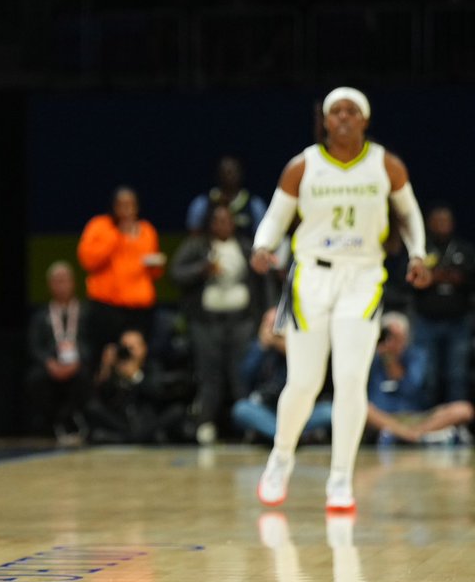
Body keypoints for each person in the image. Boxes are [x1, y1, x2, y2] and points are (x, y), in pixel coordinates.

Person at [252, 86, 430, 512]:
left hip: (363, 278)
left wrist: (419, 253)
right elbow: (275, 217)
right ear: (326, 121)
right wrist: (263, 245)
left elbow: (408, 215)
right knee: (304, 382)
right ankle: (280, 457)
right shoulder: (303, 166)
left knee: (351, 380)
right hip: (311, 276)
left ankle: (340, 479)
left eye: (353, 111)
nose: (345, 118)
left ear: (365, 120)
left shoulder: (385, 164)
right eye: (337, 112)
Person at [170, 204, 261, 444]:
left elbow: (261, 280)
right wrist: (203, 269)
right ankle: (206, 424)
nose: (223, 225)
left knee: (240, 375)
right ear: (210, 224)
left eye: (227, 220)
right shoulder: (197, 245)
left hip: (240, 321)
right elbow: (176, 274)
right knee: (209, 375)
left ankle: (248, 427)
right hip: (206, 322)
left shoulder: (244, 246)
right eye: (218, 220)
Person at [77, 187, 165, 369]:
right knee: (106, 357)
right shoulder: (100, 227)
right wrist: (116, 235)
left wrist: (156, 265)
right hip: (107, 309)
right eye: (122, 205)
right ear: (114, 207)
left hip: (139, 310)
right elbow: (88, 261)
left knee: (137, 357)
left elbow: (155, 274)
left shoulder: (147, 230)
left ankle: (136, 390)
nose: (127, 210)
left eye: (131, 205)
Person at [364, 312, 474, 444]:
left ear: (405, 337)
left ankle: (403, 435)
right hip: (383, 417)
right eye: (388, 336)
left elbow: (412, 391)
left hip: (416, 417)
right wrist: (383, 355)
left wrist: (392, 361)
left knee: (463, 410)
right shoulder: (370, 358)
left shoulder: (417, 357)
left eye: (397, 337)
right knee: (364, 409)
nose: (392, 342)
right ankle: (410, 436)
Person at [231, 308, 332, 443]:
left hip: (301, 411)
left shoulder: (301, 346)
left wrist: (286, 348)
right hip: (268, 410)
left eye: (277, 325)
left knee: (329, 412)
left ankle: (277, 435)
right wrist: (261, 348)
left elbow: (316, 375)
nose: (274, 331)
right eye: (269, 325)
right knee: (242, 409)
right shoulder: (258, 348)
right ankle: (288, 437)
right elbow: (244, 378)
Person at [414, 205, 475, 405]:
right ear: (429, 224)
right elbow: (406, 280)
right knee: (427, 376)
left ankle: (455, 427)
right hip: (426, 321)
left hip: (458, 322)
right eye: (437, 221)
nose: (441, 225)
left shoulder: (464, 250)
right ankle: (426, 427)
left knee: (457, 375)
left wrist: (440, 277)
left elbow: (469, 278)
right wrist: (436, 277)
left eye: (445, 221)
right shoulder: (421, 250)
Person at [24, 260, 88, 441]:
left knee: (84, 377)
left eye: (65, 280)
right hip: (52, 365)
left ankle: (73, 421)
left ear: (73, 283)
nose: (61, 286)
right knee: (36, 379)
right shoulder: (41, 316)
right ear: (50, 285)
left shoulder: (85, 312)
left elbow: (90, 342)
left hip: (77, 364)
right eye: (57, 281)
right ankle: (50, 425)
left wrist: (77, 362)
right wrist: (49, 363)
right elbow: (35, 345)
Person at [185, 155, 267, 235]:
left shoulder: (254, 204)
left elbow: (263, 236)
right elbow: (194, 236)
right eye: (226, 172)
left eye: (234, 171)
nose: (230, 176)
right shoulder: (203, 203)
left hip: (245, 248)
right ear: (218, 174)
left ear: (241, 174)